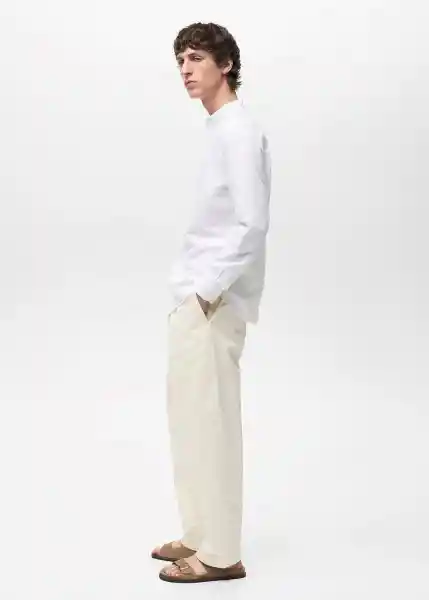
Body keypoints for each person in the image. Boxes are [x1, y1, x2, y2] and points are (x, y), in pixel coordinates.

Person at [152, 22, 271, 584]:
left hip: (212, 303)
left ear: (226, 64)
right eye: (181, 58)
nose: (185, 69)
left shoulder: (240, 132)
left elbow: (252, 225)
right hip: (193, 297)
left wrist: (207, 292)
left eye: (196, 57)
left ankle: (221, 555)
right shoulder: (220, 130)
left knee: (213, 425)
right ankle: (199, 533)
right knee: (190, 422)